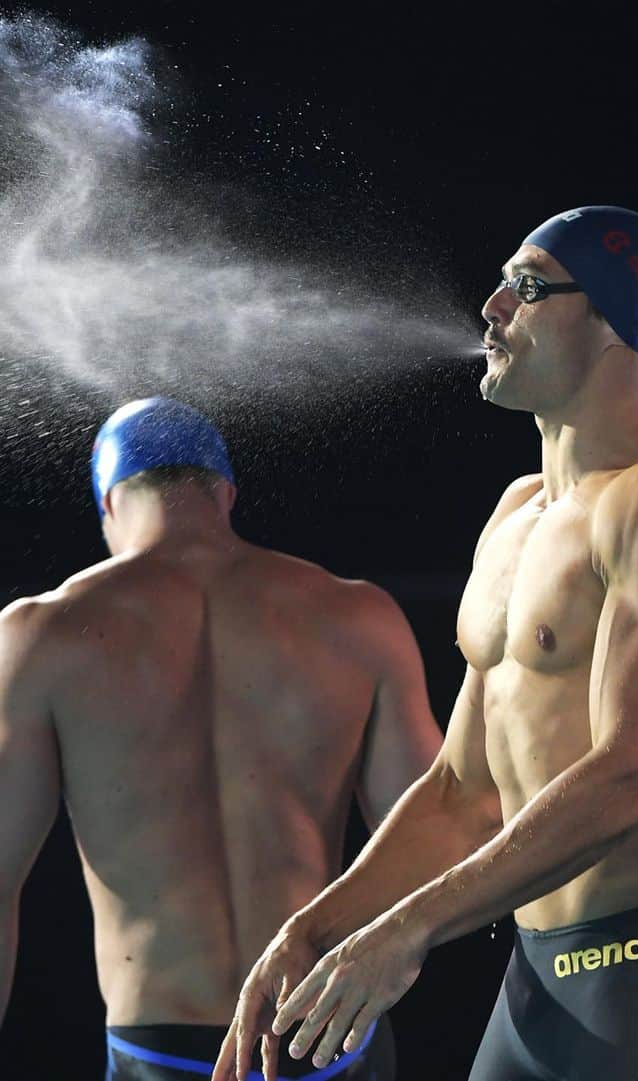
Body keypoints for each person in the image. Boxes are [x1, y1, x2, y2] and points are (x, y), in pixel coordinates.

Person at [213, 206, 638, 1081]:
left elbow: (636, 774)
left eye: (523, 287)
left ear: (610, 319)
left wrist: (407, 930)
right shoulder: (521, 513)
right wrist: (316, 929)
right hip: (537, 976)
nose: (489, 308)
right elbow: (463, 790)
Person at [0, 397, 443, 1080]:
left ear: (110, 506)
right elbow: (436, 840)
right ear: (226, 493)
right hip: (322, 1028)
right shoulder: (360, 616)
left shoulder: (40, 636)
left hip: (160, 1045)